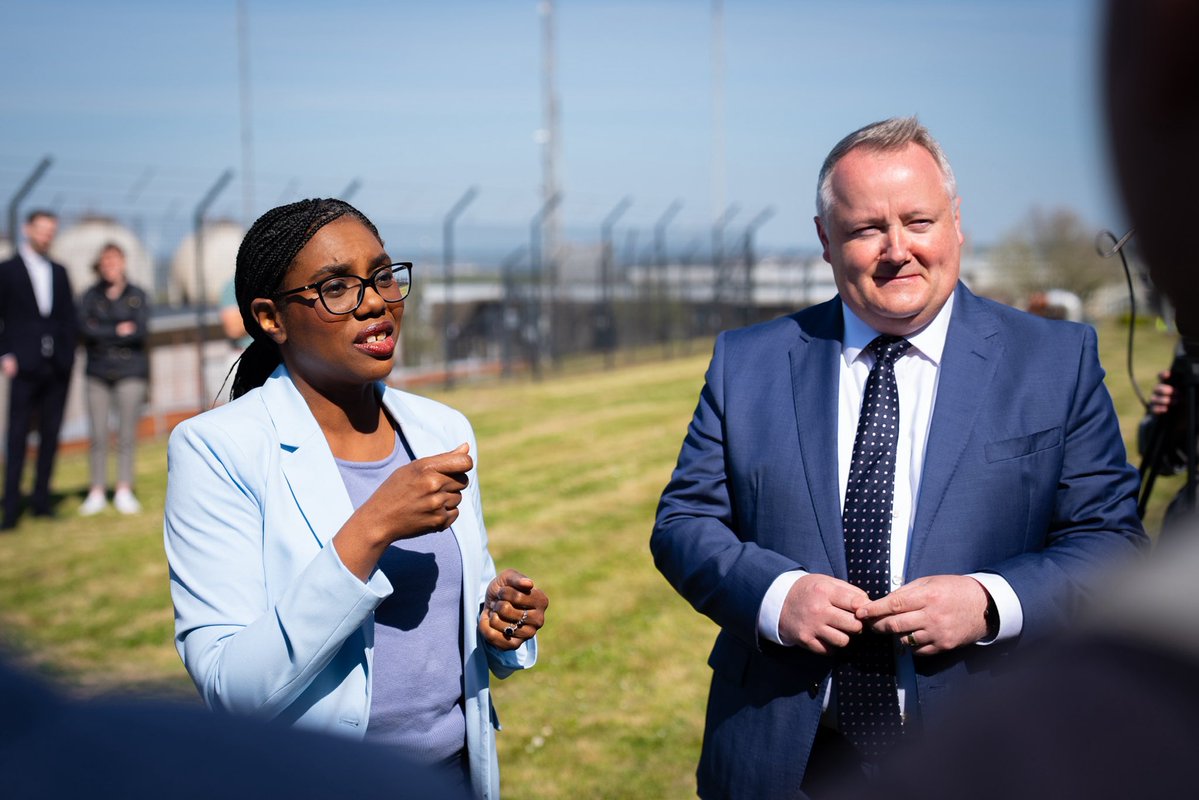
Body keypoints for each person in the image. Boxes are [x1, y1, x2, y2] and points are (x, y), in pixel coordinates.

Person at [650, 117, 1148, 798]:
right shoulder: (750, 362)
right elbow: (683, 524)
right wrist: (775, 595)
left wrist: (987, 601)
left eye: (917, 221)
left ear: (955, 221)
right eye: (865, 229)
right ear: (826, 239)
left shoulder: (1053, 362)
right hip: (785, 757)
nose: (896, 251)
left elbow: (1110, 542)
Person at [163, 198, 548, 799]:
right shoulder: (218, 449)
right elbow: (230, 688)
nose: (375, 300)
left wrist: (497, 618)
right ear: (271, 317)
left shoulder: (443, 430)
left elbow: (449, 617)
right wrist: (370, 529)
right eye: (335, 287)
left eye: (383, 274)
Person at [0, 209, 78, 530]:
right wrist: (5, 352)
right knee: (17, 435)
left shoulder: (59, 271)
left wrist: (68, 353)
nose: (46, 235)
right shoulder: (7, 271)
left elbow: (67, 317)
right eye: (42, 229)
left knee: (50, 434)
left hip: (56, 365)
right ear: (27, 229)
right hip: (23, 363)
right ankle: (11, 507)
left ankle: (41, 501)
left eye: (51, 230)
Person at [78, 242, 150, 516]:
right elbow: (85, 330)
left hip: (130, 372)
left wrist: (103, 330)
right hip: (97, 372)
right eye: (105, 261)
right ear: (99, 265)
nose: (110, 266)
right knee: (97, 434)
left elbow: (140, 331)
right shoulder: (88, 297)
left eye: (115, 260)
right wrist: (118, 329)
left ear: (123, 262)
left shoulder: (138, 295)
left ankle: (124, 489)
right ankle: (96, 490)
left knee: (126, 435)